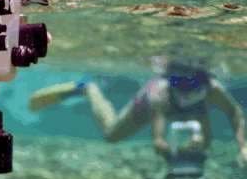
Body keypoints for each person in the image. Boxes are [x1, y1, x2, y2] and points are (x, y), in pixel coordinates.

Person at [29, 56, 247, 166]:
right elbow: (158, 141)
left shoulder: (214, 90)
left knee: (202, 142)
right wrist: (174, 153)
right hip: (150, 104)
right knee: (111, 134)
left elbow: (235, 115)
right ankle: (88, 87)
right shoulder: (159, 93)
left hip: (193, 108)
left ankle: (196, 144)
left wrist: (243, 146)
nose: (186, 94)